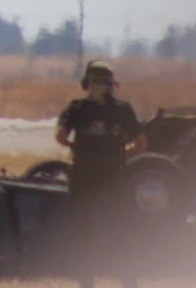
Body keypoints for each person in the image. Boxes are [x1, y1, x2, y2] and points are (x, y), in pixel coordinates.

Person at [54, 60, 146, 288]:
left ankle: (87, 284)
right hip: (112, 177)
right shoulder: (123, 110)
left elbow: (60, 136)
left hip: (83, 177)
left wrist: (79, 148)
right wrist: (119, 152)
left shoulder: (77, 108)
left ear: (87, 83)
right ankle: (129, 283)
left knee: (83, 234)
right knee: (118, 232)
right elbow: (141, 143)